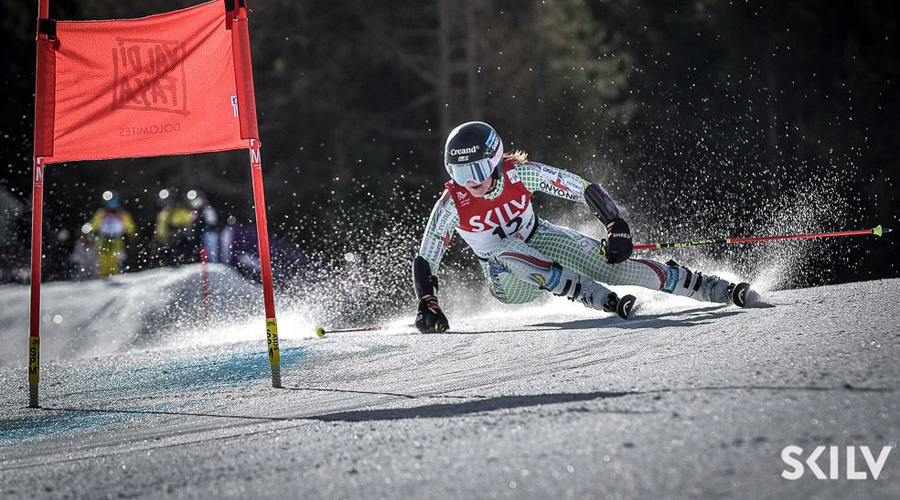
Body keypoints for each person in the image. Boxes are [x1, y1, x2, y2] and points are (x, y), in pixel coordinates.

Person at [412, 121, 751, 333]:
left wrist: (616, 225)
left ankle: (709, 288)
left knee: (611, 265)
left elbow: (582, 187)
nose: (469, 182)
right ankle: (590, 294)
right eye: (459, 174)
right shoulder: (452, 204)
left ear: (495, 161)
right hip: (506, 279)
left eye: (476, 171)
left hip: (541, 239)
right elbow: (427, 257)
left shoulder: (520, 173)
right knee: (503, 249)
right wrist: (427, 300)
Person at [88, 190, 136, 277]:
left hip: (117, 239)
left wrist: (131, 236)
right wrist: (91, 237)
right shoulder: (101, 214)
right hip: (103, 239)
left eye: (114, 202)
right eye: (109, 202)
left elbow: (130, 228)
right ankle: (103, 276)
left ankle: (116, 275)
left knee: (115, 259)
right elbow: (92, 227)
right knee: (103, 260)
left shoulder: (122, 215)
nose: (112, 205)